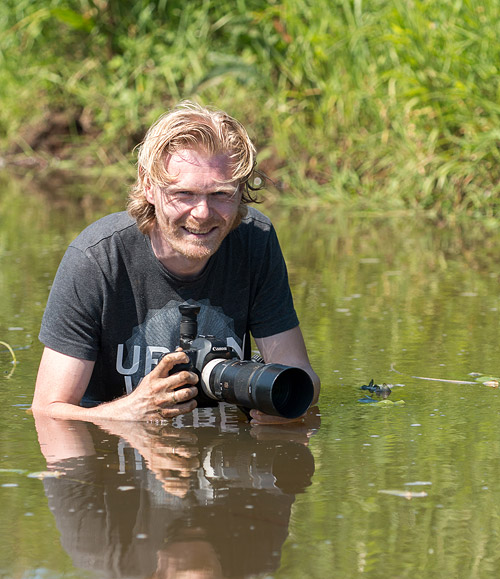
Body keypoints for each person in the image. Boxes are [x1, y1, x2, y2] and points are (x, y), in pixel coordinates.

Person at [32, 101, 320, 425]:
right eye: (184, 194)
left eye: (221, 194)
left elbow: (300, 375)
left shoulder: (255, 241)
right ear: (149, 185)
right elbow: (48, 411)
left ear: (242, 190)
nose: (202, 213)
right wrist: (127, 412)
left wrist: (281, 408)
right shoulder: (97, 258)